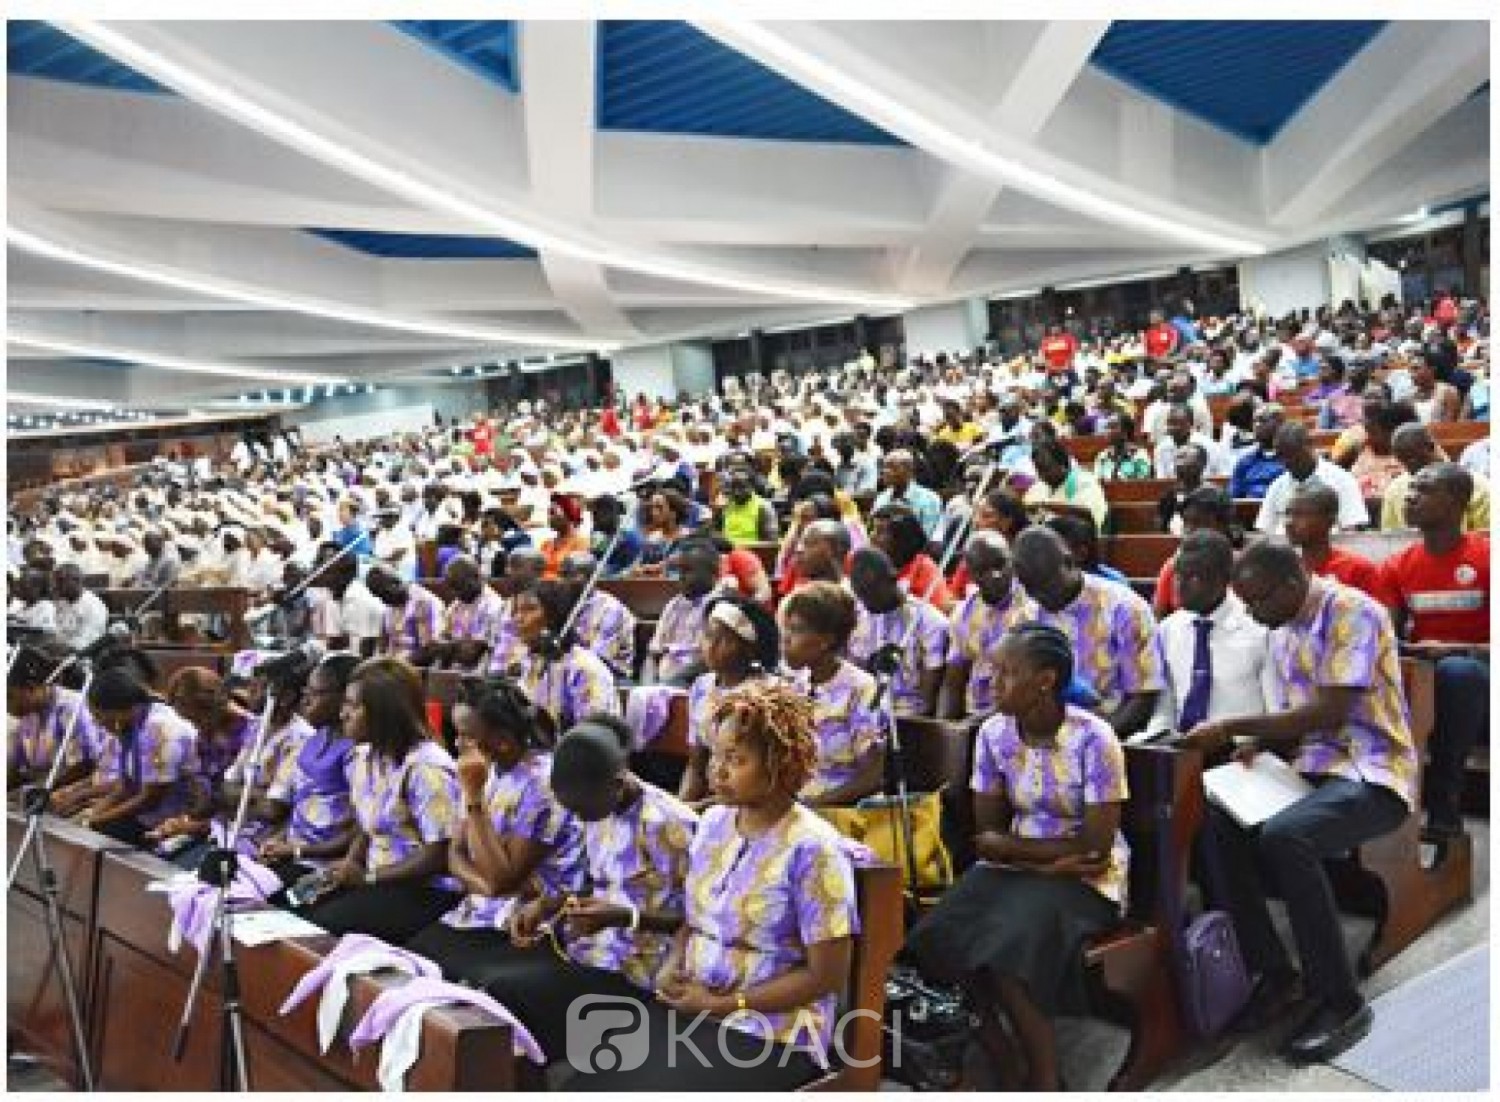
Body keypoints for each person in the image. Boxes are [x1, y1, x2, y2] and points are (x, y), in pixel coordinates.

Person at [554, 681, 859, 1091]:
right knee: (585, 1084)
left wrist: (724, 1004)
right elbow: (693, 921)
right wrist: (671, 965)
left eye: (736, 759)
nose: (718, 770)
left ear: (782, 764)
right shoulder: (715, 823)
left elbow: (826, 976)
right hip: (696, 1004)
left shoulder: (814, 850)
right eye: (716, 754)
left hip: (771, 1030)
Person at [1178, 541, 1415, 1064]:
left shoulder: (1355, 612)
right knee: (1212, 822)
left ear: (1291, 583)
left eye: (1259, 601)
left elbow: (1330, 710)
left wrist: (1232, 728)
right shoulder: (1282, 625)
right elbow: (1295, 719)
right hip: (1310, 767)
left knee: (1289, 837)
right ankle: (1275, 972)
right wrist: (1259, 746)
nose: (1255, 616)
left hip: (1372, 770)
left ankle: (1339, 999)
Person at [907, 624, 1129, 1091]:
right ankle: (1002, 1057)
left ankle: (1047, 1079)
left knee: (1005, 956)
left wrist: (1016, 850)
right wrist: (1035, 857)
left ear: (1045, 680)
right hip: (1019, 871)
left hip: (1088, 881)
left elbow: (1094, 848)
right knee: (935, 939)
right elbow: (985, 834)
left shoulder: (1094, 738)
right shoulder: (992, 733)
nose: (991, 682)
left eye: (1007, 673)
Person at [491, 716, 699, 1059]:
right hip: (593, 953)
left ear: (617, 784)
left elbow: (698, 921)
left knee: (521, 996)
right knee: (501, 994)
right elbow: (598, 882)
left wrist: (625, 917)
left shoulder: (671, 827)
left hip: (643, 968)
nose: (578, 818)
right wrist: (549, 906)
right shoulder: (595, 806)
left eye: (582, 810)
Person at [405, 678, 586, 984]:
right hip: (478, 909)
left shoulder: (542, 786)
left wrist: (474, 798)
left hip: (528, 922)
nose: (457, 744)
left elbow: (503, 879)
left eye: (466, 736)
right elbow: (456, 854)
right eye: (455, 734)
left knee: (455, 987)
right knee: (412, 958)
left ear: (501, 741)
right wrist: (486, 886)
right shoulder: (483, 770)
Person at [297, 657, 463, 942]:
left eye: (354, 706)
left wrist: (369, 878)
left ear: (384, 712)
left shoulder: (427, 767)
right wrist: (348, 865)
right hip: (376, 878)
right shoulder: (365, 755)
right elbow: (367, 825)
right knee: (293, 903)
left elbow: (439, 854)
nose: (342, 714)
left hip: (422, 890)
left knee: (321, 927)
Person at [1373, 463, 1489, 840]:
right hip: (1424, 673)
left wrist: (1454, 650)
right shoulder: (1397, 565)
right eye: (1410, 490)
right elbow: (1387, 637)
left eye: (1423, 490)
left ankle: (1443, 802)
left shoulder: (1488, 557)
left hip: (1481, 679)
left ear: (1456, 502)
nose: (1409, 497)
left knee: (1460, 672)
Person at [1010, 527, 1163, 738]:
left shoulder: (1125, 608)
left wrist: (1094, 741)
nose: (1039, 597)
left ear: (1070, 563)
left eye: (1047, 586)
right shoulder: (1026, 614)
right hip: (1040, 736)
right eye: (1030, 588)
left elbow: (1143, 697)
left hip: (1110, 733)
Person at [1147, 532, 1279, 738]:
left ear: (1225, 578)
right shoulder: (1168, 629)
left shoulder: (1260, 630)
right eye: (1178, 575)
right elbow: (1165, 705)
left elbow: (1276, 713)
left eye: (1195, 577)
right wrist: (1158, 736)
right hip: (1182, 746)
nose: (1180, 585)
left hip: (1240, 751)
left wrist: (1247, 744)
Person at [779, 581, 888, 807]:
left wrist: (815, 807)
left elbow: (872, 777)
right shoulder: (794, 686)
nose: (786, 639)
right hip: (797, 806)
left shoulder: (862, 689)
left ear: (826, 641)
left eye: (797, 630)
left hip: (844, 811)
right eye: (786, 628)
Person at [256, 652, 362, 880]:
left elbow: (359, 830)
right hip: (295, 856)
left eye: (316, 693)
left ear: (346, 697)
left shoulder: (357, 752)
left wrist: (297, 850)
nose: (305, 701)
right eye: (306, 692)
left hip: (326, 865)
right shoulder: (308, 742)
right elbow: (297, 809)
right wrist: (279, 841)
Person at [71, 664, 200, 847]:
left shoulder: (160, 730)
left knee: (96, 837)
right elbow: (126, 786)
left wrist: (96, 821)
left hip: (173, 818)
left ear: (114, 710)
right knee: (81, 826)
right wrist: (92, 816)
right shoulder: (130, 727)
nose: (97, 723)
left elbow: (149, 801)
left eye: (98, 716)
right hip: (145, 815)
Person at [680, 594, 781, 805]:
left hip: (752, 797)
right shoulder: (702, 686)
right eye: (709, 636)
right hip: (713, 793)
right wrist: (684, 805)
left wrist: (703, 807)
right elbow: (696, 764)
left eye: (724, 640)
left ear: (750, 648)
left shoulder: (767, 694)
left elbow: (764, 776)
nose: (711, 646)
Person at [504, 580, 621, 734]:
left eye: (529, 609)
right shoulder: (531, 661)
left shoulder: (584, 667)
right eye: (516, 610)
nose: (518, 618)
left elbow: (594, 737)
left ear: (554, 616)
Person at [847, 547, 950, 717]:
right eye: (861, 595)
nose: (866, 603)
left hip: (911, 717)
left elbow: (927, 700)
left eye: (871, 593)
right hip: (870, 711)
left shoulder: (930, 622)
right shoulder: (862, 617)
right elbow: (856, 679)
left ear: (893, 579)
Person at [941, 532, 1032, 721]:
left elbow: (1030, 685)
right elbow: (953, 682)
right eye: (983, 569)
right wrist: (945, 727)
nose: (996, 575)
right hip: (974, 714)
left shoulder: (1032, 608)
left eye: (1001, 564)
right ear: (971, 573)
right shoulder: (964, 613)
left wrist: (979, 723)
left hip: (1020, 714)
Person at [7, 645, 103, 790]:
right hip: (42, 789)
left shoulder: (71, 709)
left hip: (74, 790)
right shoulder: (27, 715)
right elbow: (17, 767)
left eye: (9, 697)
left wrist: (43, 790)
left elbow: (86, 765)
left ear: (32, 687)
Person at [1255, 422, 1369, 536]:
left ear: (1310, 445)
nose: (1287, 462)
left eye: (1293, 455)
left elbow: (1352, 530)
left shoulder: (1342, 480)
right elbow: (1264, 531)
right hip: (1282, 550)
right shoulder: (1277, 486)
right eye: (1281, 456)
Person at [1381, 423, 1491, 532]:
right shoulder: (1394, 490)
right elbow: (1390, 539)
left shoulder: (1479, 487)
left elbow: (1487, 538)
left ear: (1430, 447)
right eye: (1403, 461)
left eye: (1412, 458)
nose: (1409, 468)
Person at [643, 539, 725, 686]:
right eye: (678, 571)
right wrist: (648, 687)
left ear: (712, 572)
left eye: (687, 570)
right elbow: (653, 653)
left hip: (701, 685)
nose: (680, 577)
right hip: (664, 686)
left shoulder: (723, 606)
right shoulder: (674, 604)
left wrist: (672, 683)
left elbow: (712, 660)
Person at [1152, 486, 1242, 618]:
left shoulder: (1242, 566)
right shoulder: (1173, 566)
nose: (1189, 531)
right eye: (1186, 523)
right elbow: (1158, 619)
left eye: (1198, 523)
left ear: (1223, 524)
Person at [1282, 483, 1382, 596]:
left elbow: (1376, 613)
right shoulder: (1284, 571)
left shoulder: (1358, 570)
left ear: (1330, 520)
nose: (1289, 522)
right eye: (1288, 514)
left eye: (1300, 514)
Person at [559, 551, 637, 679]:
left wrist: (569, 637)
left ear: (590, 577)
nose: (562, 581)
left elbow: (598, 659)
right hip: (570, 672)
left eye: (569, 575)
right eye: (561, 575)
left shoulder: (610, 610)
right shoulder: (564, 603)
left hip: (609, 676)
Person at [426, 554, 507, 672]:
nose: (455, 593)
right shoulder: (457, 604)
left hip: (476, 676)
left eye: (459, 586)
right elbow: (439, 643)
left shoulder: (493, 606)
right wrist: (453, 647)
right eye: (452, 587)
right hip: (451, 672)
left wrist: (447, 647)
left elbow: (470, 655)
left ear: (477, 577)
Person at [870, 505, 954, 612]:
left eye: (880, 531)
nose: (872, 536)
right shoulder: (876, 565)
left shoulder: (924, 569)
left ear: (901, 537)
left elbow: (944, 610)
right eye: (873, 529)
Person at [1023, 440, 1109, 531]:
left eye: (1046, 469)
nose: (1042, 475)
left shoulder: (1084, 482)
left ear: (1062, 464)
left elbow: (1088, 518)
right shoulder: (1038, 487)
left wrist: (1045, 506)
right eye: (1039, 470)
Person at [366, 564, 446, 663]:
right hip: (391, 668)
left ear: (396, 583)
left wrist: (396, 664)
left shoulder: (423, 603)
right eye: (378, 596)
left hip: (415, 670)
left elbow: (428, 651)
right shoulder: (390, 606)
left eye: (384, 595)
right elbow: (382, 644)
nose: (383, 600)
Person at [872, 448, 943, 538]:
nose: (885, 471)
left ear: (909, 471)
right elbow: (873, 530)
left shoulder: (929, 499)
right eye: (884, 467)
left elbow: (928, 536)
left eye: (892, 467)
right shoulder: (881, 498)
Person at [1229, 402, 1287, 500]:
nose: (1257, 425)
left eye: (1263, 420)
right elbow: (1234, 496)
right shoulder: (1245, 461)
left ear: (1280, 424)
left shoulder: (1289, 459)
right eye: (1254, 421)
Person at [1152, 404, 1227, 479]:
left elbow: (1220, 475)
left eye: (1178, 424)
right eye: (1170, 423)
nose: (1172, 428)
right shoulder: (1161, 448)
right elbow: (1161, 479)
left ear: (1191, 424)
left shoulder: (1209, 446)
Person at [49, 563, 109, 652]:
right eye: (55, 582)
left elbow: (87, 642)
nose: (55, 586)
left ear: (76, 581)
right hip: (57, 651)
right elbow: (54, 631)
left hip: (81, 656)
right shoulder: (61, 602)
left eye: (60, 581)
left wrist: (59, 647)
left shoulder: (93, 606)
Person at [717, 465, 780, 546]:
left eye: (742, 487)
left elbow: (772, 543)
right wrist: (718, 512)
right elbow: (716, 534)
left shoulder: (763, 507)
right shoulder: (726, 505)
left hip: (754, 554)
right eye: (734, 487)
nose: (737, 492)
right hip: (727, 553)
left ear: (752, 486)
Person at [587, 495, 645, 578]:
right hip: (604, 577)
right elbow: (596, 556)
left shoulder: (630, 536)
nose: (594, 519)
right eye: (593, 514)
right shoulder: (598, 533)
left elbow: (629, 569)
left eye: (596, 514)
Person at [1157, 443, 1208, 535]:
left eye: (1184, 457)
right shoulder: (1168, 496)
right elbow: (1161, 530)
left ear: (1201, 464)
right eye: (1178, 458)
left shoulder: (1215, 494)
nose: (1179, 463)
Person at [540, 494, 589, 581]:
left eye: (554, 513)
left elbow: (576, 575)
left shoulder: (581, 542)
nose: (550, 518)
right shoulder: (547, 543)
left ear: (568, 515)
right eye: (550, 513)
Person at [1092, 412, 1152, 481]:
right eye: (1107, 427)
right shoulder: (1102, 456)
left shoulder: (1139, 455)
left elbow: (1143, 482)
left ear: (1125, 432)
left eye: (1113, 427)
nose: (1108, 431)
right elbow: (1097, 482)